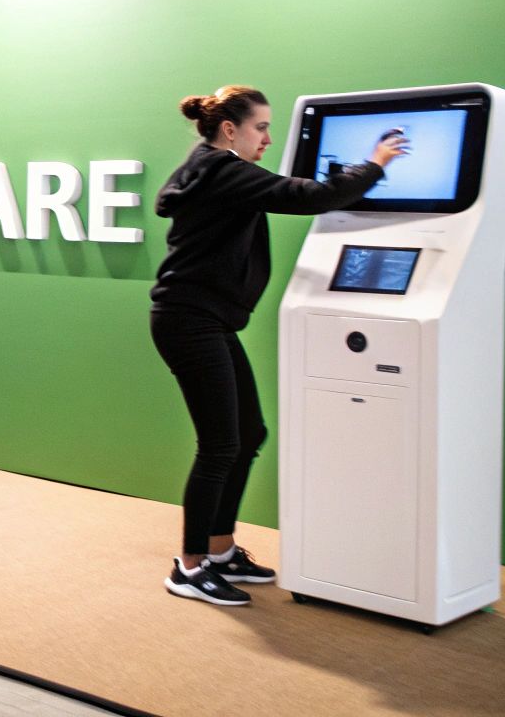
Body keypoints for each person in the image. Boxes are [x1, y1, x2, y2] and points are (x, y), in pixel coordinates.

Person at [149, 85, 407, 606]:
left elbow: (301, 190)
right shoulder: (224, 171)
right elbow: (308, 198)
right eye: (261, 127)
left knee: (248, 434)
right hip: (188, 320)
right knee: (221, 444)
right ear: (230, 130)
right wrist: (376, 162)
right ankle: (190, 566)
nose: (268, 138)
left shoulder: (210, 168)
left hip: (207, 319)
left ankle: (220, 551)